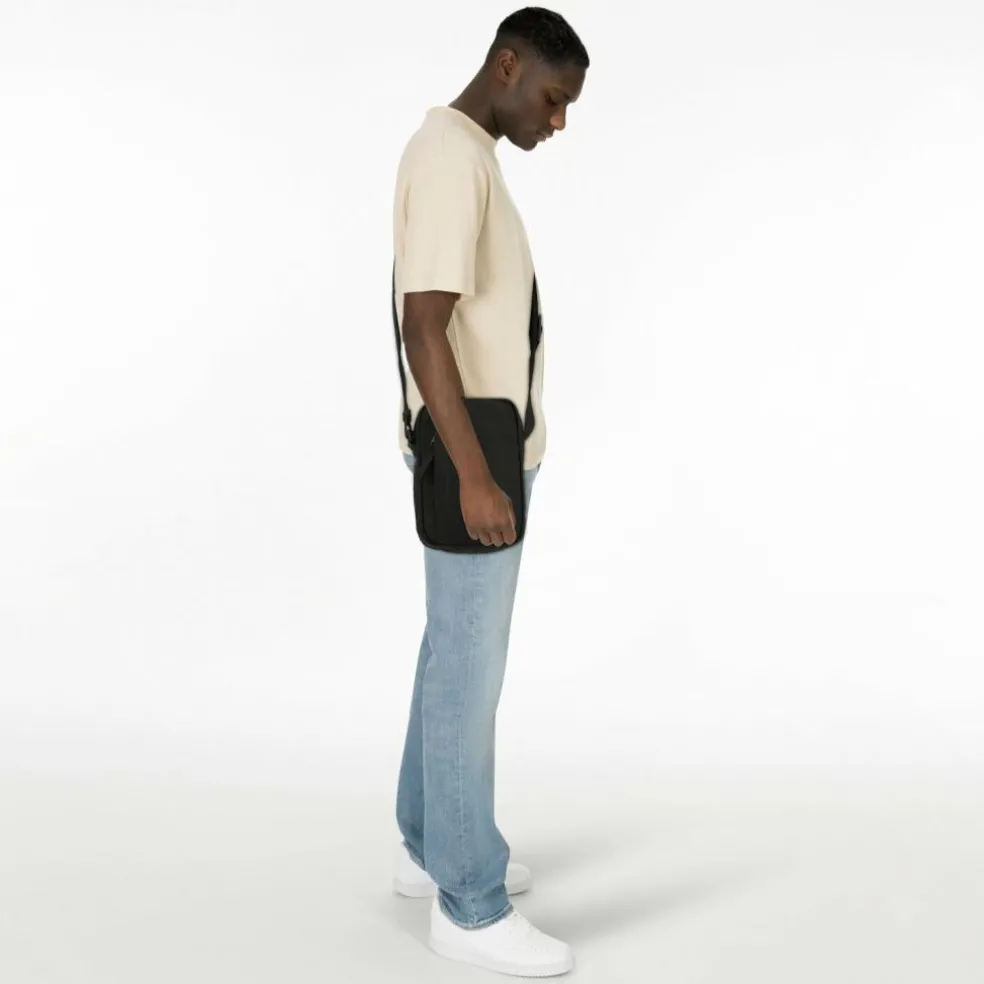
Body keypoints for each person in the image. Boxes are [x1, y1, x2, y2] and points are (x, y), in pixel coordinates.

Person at [388, 7, 588, 978]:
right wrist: (475, 475)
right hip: (474, 445)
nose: (558, 120)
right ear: (507, 65)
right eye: (552, 98)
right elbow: (424, 323)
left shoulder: (466, 153)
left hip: (487, 438)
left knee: (451, 654)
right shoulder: (450, 157)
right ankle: (467, 905)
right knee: (469, 672)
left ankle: (428, 842)